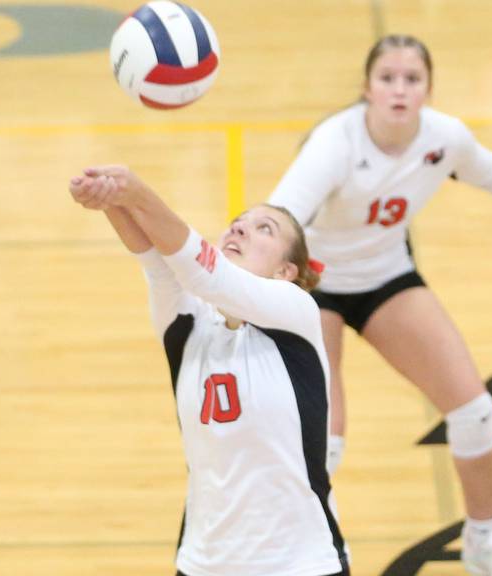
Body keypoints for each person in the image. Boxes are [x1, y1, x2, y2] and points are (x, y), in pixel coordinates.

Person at [268, 34, 492, 576]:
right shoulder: (335, 143)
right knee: (326, 440)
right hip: (316, 284)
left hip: (386, 276)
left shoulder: (445, 139)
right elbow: (280, 217)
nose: (400, 90)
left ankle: (484, 543)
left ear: (429, 90)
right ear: (366, 88)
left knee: (475, 410)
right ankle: (308, 555)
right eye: (388, 78)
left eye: (412, 80)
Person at [69, 165, 350, 576]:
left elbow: (206, 273)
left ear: (286, 272)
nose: (240, 231)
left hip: (301, 563)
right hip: (204, 563)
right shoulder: (188, 325)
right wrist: (109, 197)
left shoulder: (296, 313)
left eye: (264, 229)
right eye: (236, 225)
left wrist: (138, 192)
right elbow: (157, 261)